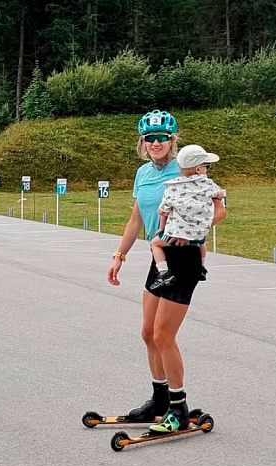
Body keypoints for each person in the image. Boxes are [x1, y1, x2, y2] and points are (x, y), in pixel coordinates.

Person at [107, 110, 226, 434]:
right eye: (149, 138)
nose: (155, 143)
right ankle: (159, 401)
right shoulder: (143, 174)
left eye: (162, 138)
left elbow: (219, 209)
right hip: (157, 256)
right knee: (148, 333)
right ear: (142, 143)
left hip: (183, 257)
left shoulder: (187, 169)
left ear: (172, 140)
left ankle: (178, 407)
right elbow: (136, 220)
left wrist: (189, 231)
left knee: (164, 335)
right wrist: (120, 255)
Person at [149, 144, 225, 291]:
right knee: (202, 243)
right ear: (198, 169)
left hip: (176, 234)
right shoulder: (208, 185)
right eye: (207, 166)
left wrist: (161, 228)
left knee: (155, 244)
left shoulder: (172, 187)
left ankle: (164, 273)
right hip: (198, 234)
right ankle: (202, 267)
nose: (207, 170)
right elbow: (220, 194)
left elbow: (163, 211)